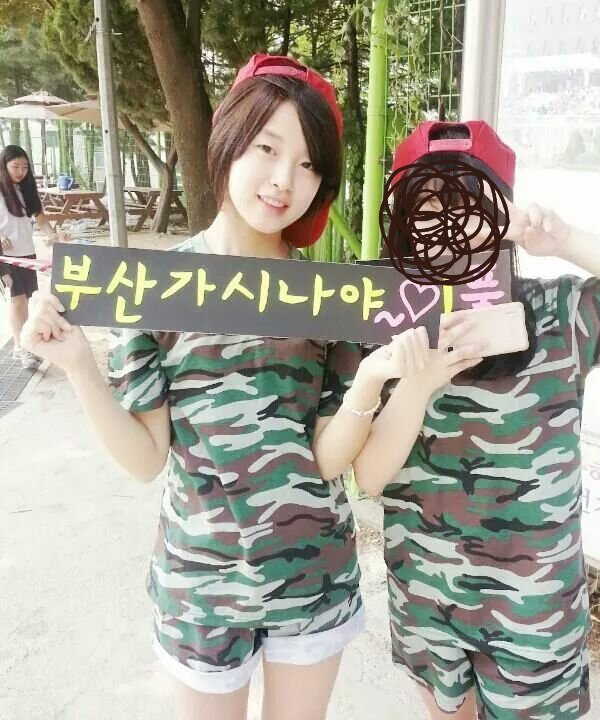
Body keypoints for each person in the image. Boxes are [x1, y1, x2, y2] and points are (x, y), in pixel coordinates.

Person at [19, 54, 450, 720]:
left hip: (311, 582)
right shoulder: (152, 288)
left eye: (308, 164)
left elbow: (329, 460)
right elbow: (146, 458)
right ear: (227, 142)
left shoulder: (332, 298)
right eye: (267, 149)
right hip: (201, 588)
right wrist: (79, 363)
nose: (284, 181)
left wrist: (369, 381)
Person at [352, 120, 600, 720]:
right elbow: (368, 477)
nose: (447, 222)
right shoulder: (386, 323)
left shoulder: (559, 311)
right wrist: (415, 383)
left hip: (534, 613)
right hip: (426, 595)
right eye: (427, 204)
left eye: (468, 200)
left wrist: (563, 240)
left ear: (501, 211)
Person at [0, 144, 68, 369]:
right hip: (5, 257)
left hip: (27, 253)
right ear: (4, 166)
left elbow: (40, 217)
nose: (20, 171)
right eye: (15, 166)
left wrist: (52, 234)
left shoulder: (26, 190)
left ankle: (25, 345)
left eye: (25, 167)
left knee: (27, 300)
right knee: (17, 300)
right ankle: (21, 348)